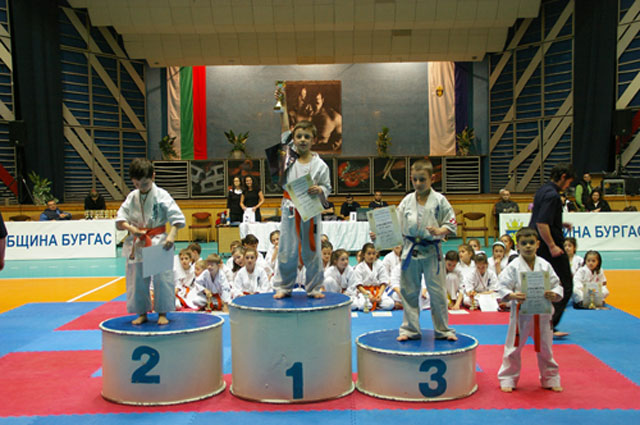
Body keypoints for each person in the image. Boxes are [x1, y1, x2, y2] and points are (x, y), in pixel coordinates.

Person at [268, 87, 331, 299]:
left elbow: (328, 188)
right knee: (287, 249)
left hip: (311, 209)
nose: (302, 139)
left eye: (307, 137)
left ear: (314, 139)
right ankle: (284, 286)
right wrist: (284, 105)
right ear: (293, 139)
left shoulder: (320, 165)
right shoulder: (288, 157)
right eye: (299, 136)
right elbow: (284, 127)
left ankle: (314, 287)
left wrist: (320, 190)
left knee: (312, 250)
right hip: (290, 208)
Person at [391, 159, 457, 341]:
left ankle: (443, 330)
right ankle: (409, 329)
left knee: (438, 292)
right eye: (415, 179)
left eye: (422, 179)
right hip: (411, 250)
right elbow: (395, 225)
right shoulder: (407, 201)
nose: (418, 183)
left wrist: (440, 231)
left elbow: (451, 223)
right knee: (409, 292)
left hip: (431, 251)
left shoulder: (440, 200)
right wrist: (379, 235)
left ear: (432, 178)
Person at [116, 158, 185, 325]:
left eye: (145, 183)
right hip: (138, 241)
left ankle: (162, 312)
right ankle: (141, 313)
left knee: (162, 278)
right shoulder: (132, 196)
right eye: (137, 183)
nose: (141, 187)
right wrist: (132, 229)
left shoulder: (161, 195)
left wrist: (172, 235)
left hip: (158, 239)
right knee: (137, 279)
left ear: (153, 176)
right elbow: (120, 219)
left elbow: (177, 218)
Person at [496, 227, 564, 393]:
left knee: (546, 348)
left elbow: (557, 284)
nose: (528, 246)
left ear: (538, 244)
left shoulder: (545, 265)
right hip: (521, 313)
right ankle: (508, 378)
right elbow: (502, 286)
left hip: (543, 312)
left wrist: (554, 293)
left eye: (531, 243)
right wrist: (512, 295)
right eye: (524, 243)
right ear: (517, 245)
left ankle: (550, 378)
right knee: (513, 347)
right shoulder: (513, 266)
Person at [529, 162, 575, 338]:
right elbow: (542, 223)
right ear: (563, 177)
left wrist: (559, 223)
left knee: (542, 284)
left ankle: (537, 323)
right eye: (569, 182)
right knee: (565, 285)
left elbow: (541, 218)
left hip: (538, 243)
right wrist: (552, 246)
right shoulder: (553, 195)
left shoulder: (543, 190)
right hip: (548, 246)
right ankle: (549, 324)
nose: (568, 185)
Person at [353, 242, 394, 311]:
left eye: (373, 253)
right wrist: (368, 295)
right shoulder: (359, 267)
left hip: (378, 291)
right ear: (363, 255)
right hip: (365, 292)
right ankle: (374, 304)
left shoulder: (380, 265)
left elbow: (384, 282)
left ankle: (377, 303)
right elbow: (358, 285)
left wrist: (379, 294)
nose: (371, 256)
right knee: (364, 306)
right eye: (369, 254)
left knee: (390, 304)